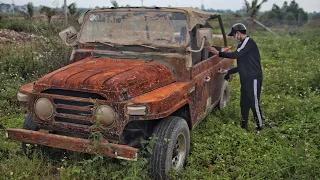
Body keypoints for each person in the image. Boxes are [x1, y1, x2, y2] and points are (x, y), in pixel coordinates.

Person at [210, 23, 263, 131]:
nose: (234, 38)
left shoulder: (248, 41)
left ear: (238, 33)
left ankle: (260, 127)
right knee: (244, 103)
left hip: (253, 78)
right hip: (245, 79)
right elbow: (241, 66)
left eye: (234, 35)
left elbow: (236, 55)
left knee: (254, 103)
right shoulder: (241, 46)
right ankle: (243, 126)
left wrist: (219, 53)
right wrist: (229, 71)